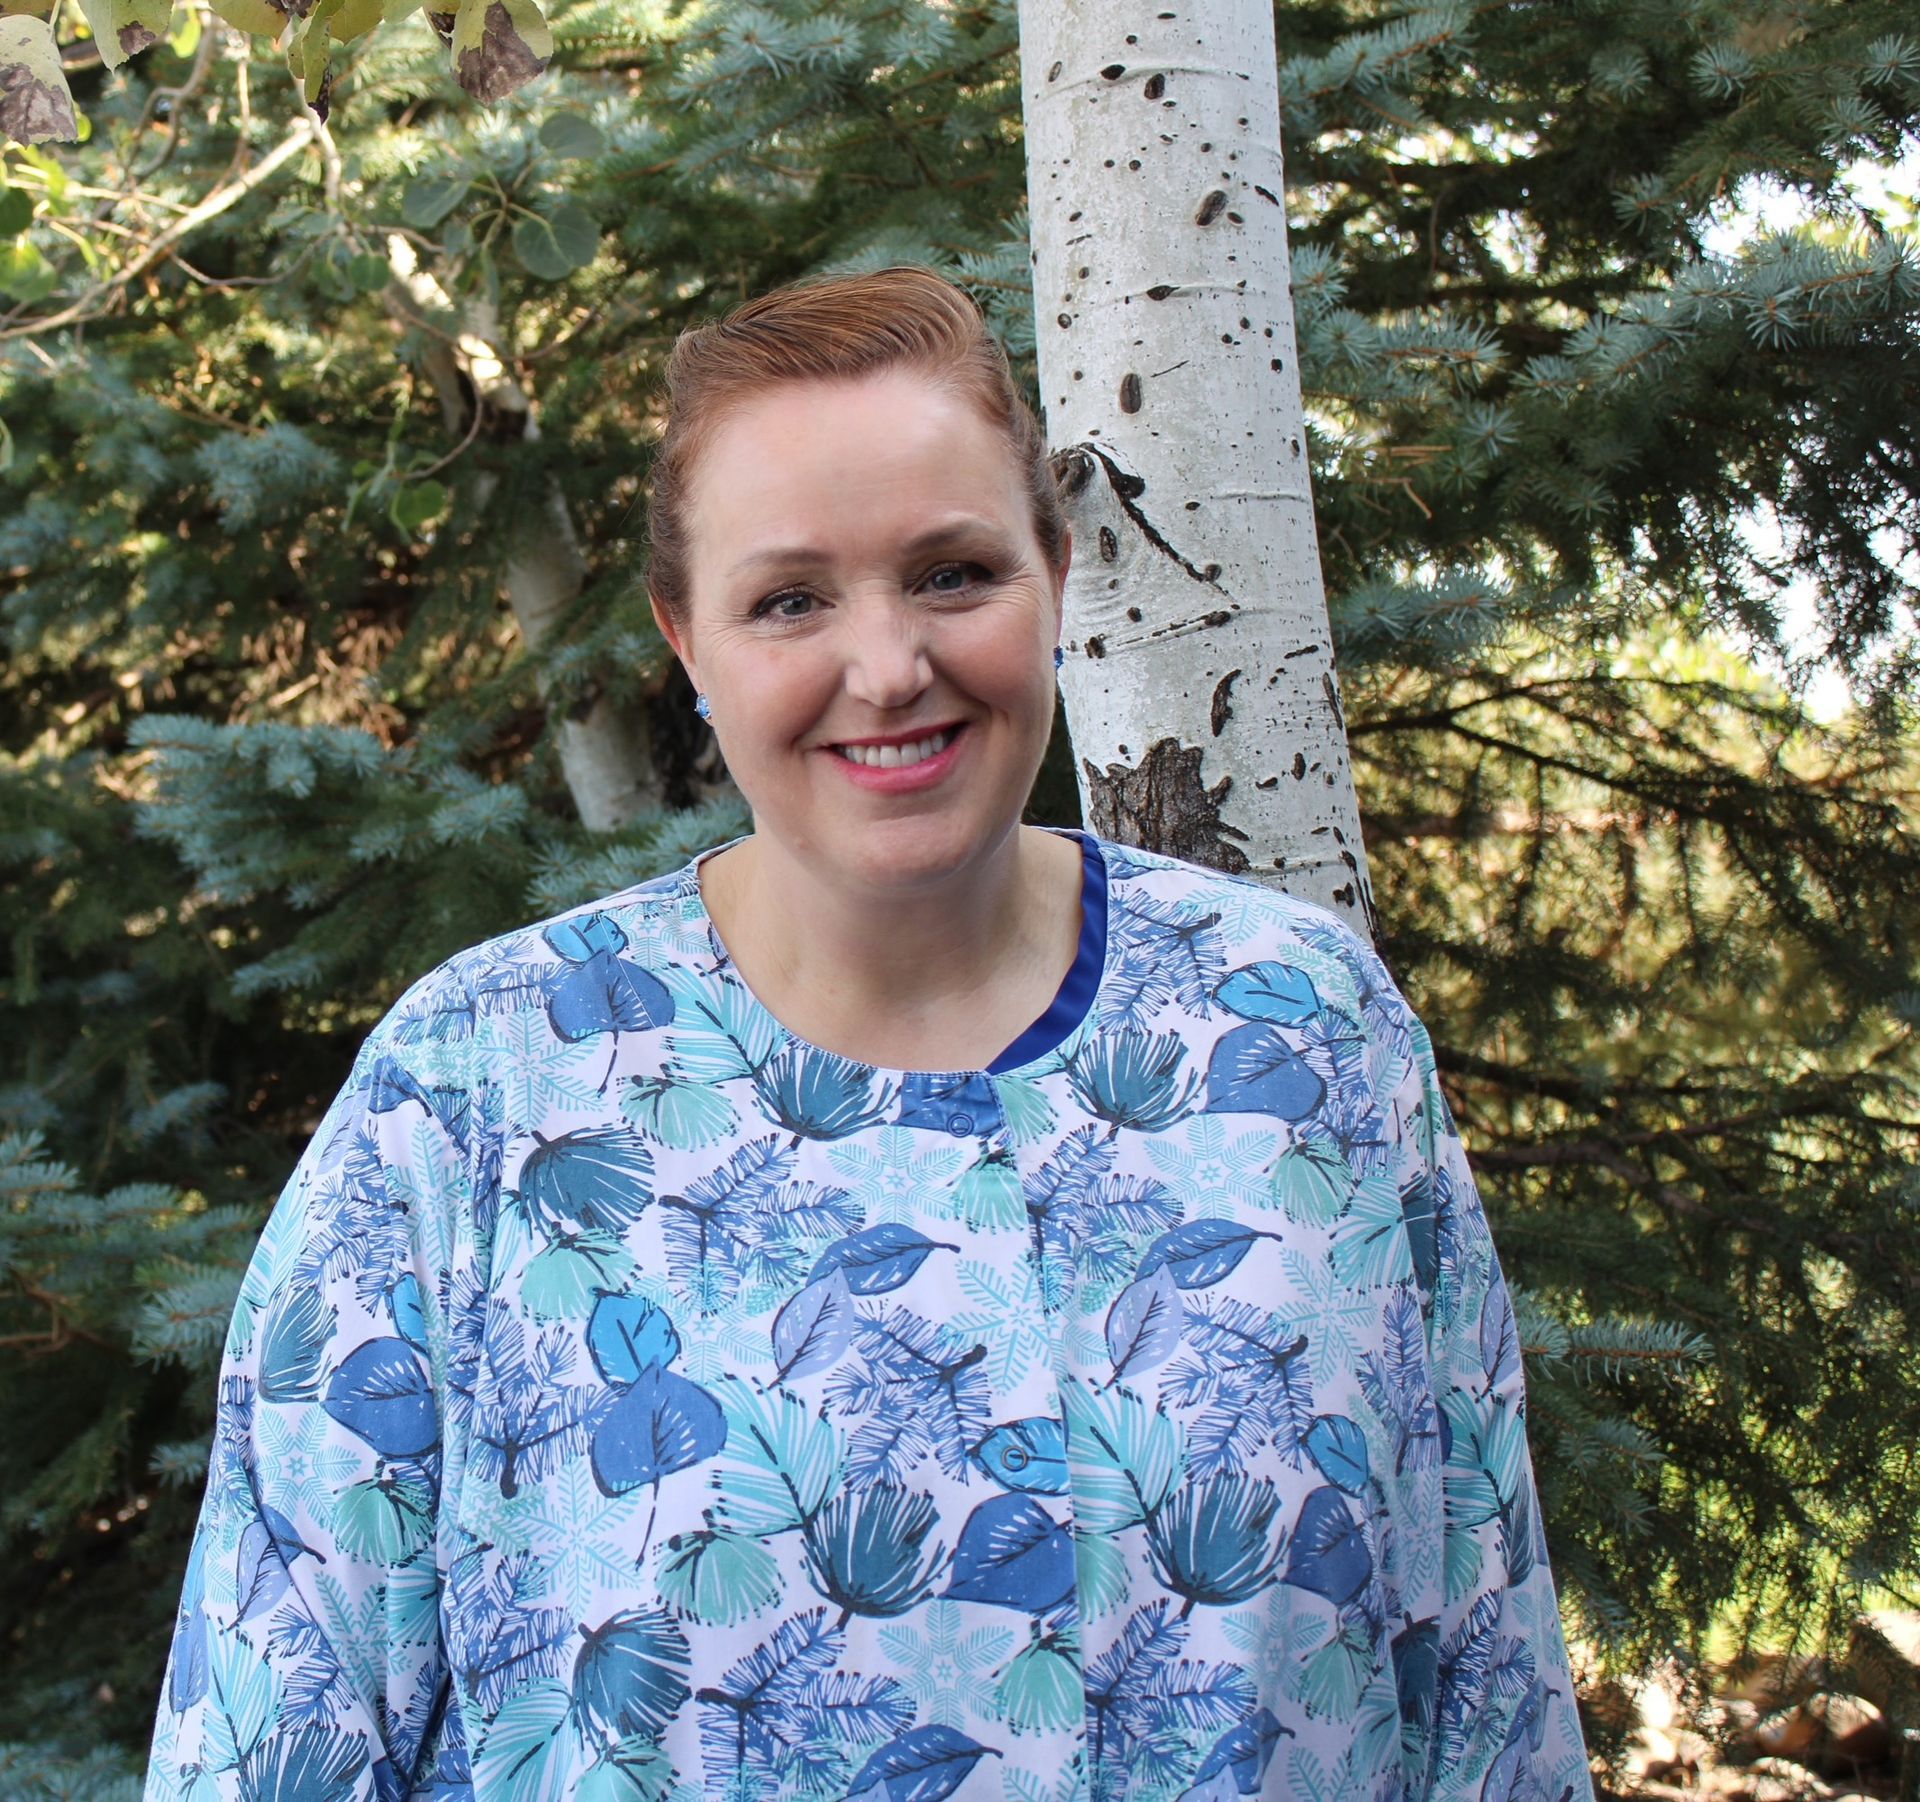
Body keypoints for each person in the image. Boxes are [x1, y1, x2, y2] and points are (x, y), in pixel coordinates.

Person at [145, 267, 1593, 1802]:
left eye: (954, 572)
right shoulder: (476, 1091)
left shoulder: (1304, 1030)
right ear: (685, 641)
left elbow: (1485, 1690)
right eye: (789, 600)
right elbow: (272, 1728)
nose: (889, 665)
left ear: (1057, 570)